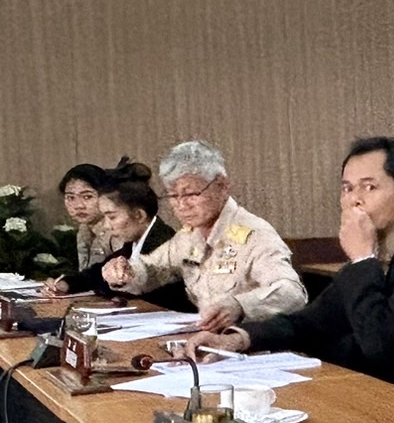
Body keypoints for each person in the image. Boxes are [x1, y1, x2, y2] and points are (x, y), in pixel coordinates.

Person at [184, 138, 394, 392]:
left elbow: (383, 346)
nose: (354, 201)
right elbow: (312, 321)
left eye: (369, 187)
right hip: (366, 387)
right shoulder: (375, 243)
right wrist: (239, 340)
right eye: (347, 189)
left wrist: (362, 258)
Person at [101, 140, 307, 331]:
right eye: (173, 195)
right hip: (209, 343)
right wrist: (125, 271)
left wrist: (240, 306)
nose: (181, 205)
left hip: (258, 346)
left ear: (222, 185)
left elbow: (292, 293)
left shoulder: (254, 234)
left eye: (190, 194)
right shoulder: (189, 236)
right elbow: (154, 269)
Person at [43, 161, 189, 310]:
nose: (106, 225)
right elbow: (97, 273)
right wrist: (67, 283)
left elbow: (155, 297)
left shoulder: (163, 243)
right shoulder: (132, 243)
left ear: (139, 215)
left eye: (112, 217)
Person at [57, 163, 115, 271]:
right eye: (71, 197)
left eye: (87, 197)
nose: (79, 205)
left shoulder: (116, 232)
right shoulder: (83, 230)